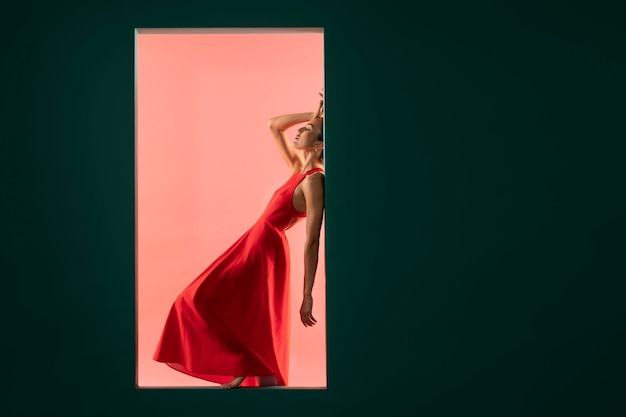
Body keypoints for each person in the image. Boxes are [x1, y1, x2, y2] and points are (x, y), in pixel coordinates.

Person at [153, 91, 325, 389]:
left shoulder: (314, 180)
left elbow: (312, 240)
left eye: (308, 129)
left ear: (320, 144)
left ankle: (246, 368)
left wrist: (307, 293)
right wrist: (313, 115)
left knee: (233, 309)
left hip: (265, 249)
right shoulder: (297, 170)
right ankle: (246, 366)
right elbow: (274, 124)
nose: (301, 129)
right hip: (252, 242)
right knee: (199, 302)